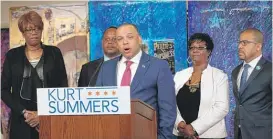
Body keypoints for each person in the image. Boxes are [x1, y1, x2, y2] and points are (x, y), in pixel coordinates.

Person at [96, 23, 176, 139]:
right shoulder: (106, 67)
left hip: (146, 134)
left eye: (129, 37)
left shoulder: (159, 66)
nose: (125, 42)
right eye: (120, 39)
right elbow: (98, 104)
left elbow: (168, 109)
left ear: (139, 39)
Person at [1, 11, 68, 139]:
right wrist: (24, 112)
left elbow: (62, 87)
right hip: (21, 121)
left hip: (50, 119)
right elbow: (3, 90)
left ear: (42, 30)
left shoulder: (54, 53)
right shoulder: (12, 56)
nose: (34, 32)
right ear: (23, 33)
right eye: (29, 29)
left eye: (37, 28)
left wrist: (42, 114)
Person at [173, 33, 229, 139]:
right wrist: (180, 124)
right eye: (192, 47)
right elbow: (171, 104)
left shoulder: (219, 76)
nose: (195, 50)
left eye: (200, 48)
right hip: (183, 134)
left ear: (209, 52)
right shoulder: (179, 75)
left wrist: (194, 128)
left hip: (210, 135)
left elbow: (222, 108)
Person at [232, 28, 272, 139]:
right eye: (239, 42)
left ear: (258, 47)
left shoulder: (270, 69)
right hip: (239, 133)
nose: (239, 46)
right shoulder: (235, 71)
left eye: (244, 43)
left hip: (263, 134)